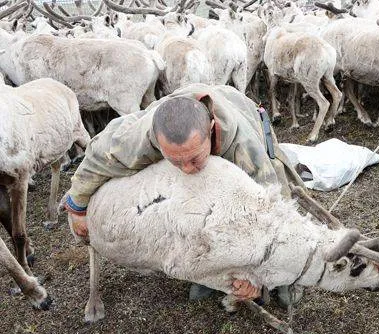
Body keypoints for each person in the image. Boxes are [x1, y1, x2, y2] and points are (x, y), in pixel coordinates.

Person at [63, 83, 305, 303]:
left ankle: (291, 277)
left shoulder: (246, 149)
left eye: (193, 159)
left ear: (210, 130)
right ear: (157, 142)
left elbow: (271, 210)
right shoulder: (139, 136)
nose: (187, 170)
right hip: (181, 112)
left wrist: (257, 279)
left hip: (242, 111)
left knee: (276, 193)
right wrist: (77, 205)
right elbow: (99, 156)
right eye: (176, 162)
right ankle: (212, 270)